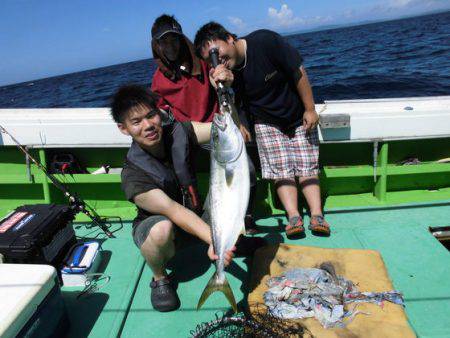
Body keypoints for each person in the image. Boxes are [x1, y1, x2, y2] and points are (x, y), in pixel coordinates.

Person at [194, 22, 331, 237]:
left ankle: (317, 214)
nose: (218, 61)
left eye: (217, 52)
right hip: (265, 121)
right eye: (210, 59)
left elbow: (298, 72)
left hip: (297, 114)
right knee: (281, 171)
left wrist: (310, 109)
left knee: (307, 167)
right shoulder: (226, 76)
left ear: (230, 38)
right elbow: (231, 108)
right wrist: (224, 89)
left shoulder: (265, 41)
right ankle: (293, 216)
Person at [111, 85, 234, 312]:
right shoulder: (133, 176)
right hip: (169, 233)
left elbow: (223, 127)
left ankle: (233, 241)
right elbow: (175, 211)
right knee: (161, 229)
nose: (148, 126)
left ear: (159, 113)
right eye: (136, 122)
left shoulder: (180, 132)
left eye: (151, 116)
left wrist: (227, 94)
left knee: (237, 184)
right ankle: (159, 279)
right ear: (123, 128)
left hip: (198, 217)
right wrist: (215, 241)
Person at [150, 14, 259, 233]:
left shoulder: (203, 62)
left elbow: (226, 93)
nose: (170, 46)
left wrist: (238, 119)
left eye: (174, 39)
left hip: (215, 130)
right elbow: (161, 114)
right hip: (186, 135)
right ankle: (196, 216)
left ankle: (244, 216)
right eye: (164, 42)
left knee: (246, 169)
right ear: (157, 46)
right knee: (171, 170)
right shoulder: (158, 81)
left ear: (182, 40)